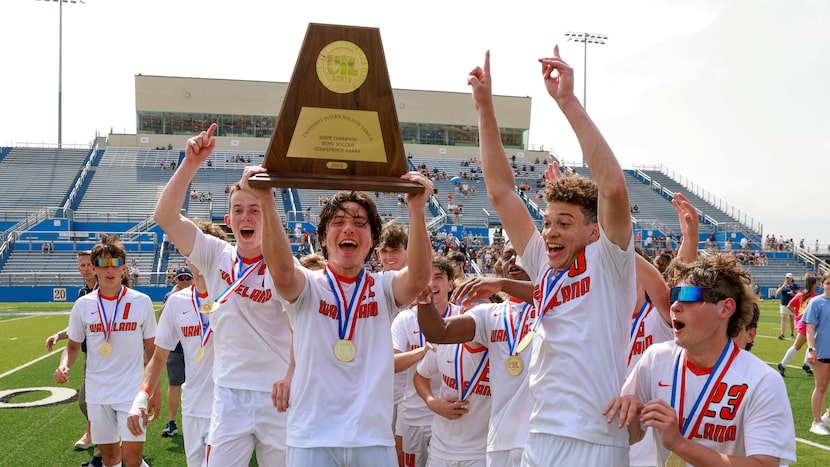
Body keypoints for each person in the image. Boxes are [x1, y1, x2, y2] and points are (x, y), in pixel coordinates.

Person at [469, 47, 636, 464]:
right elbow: (502, 193)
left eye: (564, 222)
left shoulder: (609, 260)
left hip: (593, 438)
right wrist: (485, 109)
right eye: (547, 223)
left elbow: (613, 188)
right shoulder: (545, 262)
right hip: (539, 434)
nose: (550, 232)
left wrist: (566, 101)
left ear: (592, 229)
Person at [240, 163, 433, 467]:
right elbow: (281, 271)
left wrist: (417, 209)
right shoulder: (308, 287)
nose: (348, 229)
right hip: (312, 438)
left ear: (371, 241)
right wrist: (265, 199)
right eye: (338, 222)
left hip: (372, 439)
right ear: (322, 239)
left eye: (360, 223)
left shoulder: (383, 288)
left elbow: (420, 276)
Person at [154, 123, 292, 466]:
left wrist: (291, 376)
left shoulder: (284, 268)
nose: (247, 217)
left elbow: (301, 330)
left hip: (278, 395)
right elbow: (165, 217)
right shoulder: (214, 254)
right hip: (229, 395)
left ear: (267, 216)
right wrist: (190, 164)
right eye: (239, 210)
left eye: (255, 209)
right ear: (229, 220)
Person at [606, 253, 796, 466]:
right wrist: (629, 413)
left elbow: (764, 464)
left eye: (688, 296)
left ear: (725, 308)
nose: (675, 305)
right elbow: (631, 437)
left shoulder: (762, 380)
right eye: (674, 295)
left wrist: (680, 444)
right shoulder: (655, 359)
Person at [418, 245, 536, 467]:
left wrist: (502, 284)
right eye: (508, 257)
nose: (514, 262)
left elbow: (553, 294)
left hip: (538, 439)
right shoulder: (490, 314)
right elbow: (438, 331)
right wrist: (424, 301)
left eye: (521, 255)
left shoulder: (553, 309)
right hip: (498, 443)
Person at [128, 219, 228, 466]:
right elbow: (158, 357)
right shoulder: (176, 302)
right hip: (193, 406)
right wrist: (142, 396)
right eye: (190, 250)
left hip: (229, 407)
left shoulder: (237, 297)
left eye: (202, 250)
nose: (196, 257)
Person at [53, 235, 158, 467]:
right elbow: (72, 346)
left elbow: (152, 351)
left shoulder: (142, 302)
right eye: (102, 264)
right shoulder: (83, 305)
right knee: (110, 459)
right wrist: (64, 365)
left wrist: (154, 391)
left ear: (123, 267)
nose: (109, 270)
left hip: (132, 392)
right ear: (94, 268)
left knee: (133, 460)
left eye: (114, 264)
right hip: (98, 393)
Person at [392, 255, 460, 467]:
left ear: (450, 285)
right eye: (426, 278)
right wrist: (424, 351)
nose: (431, 283)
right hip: (414, 416)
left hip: (452, 416)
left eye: (438, 277)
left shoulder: (465, 318)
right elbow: (391, 363)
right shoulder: (405, 318)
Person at [45, 250, 103, 466]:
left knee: (90, 401)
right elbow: (77, 326)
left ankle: (103, 449)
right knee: (88, 402)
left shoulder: (106, 289)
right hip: (91, 353)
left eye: (89, 264)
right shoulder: (82, 293)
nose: (86, 268)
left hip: (107, 355)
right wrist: (58, 335)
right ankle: (101, 440)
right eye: (82, 265)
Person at [376, 219, 411, 467]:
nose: (389, 256)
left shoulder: (420, 287)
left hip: (412, 391)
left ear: (407, 251)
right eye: (384, 251)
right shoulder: (373, 286)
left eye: (395, 250)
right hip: (380, 388)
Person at [156, 265, 195, 438]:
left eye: (188, 278)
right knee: (174, 384)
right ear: (175, 280)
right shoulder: (170, 297)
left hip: (196, 347)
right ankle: (171, 422)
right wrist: (173, 294)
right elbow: (162, 315)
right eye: (181, 278)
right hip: (176, 347)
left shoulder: (200, 294)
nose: (185, 281)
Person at [776, 276, 819, 377]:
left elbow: (789, 305)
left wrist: (797, 314)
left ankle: (806, 364)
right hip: (807, 324)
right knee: (797, 346)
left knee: (812, 344)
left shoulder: (800, 294)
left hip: (803, 322)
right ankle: (782, 364)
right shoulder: (816, 296)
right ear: (813, 285)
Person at [804, 271, 830, 435]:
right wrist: (811, 349)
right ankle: (817, 422)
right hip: (821, 351)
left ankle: (828, 416)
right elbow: (810, 327)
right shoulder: (816, 302)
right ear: (822, 285)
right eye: (828, 283)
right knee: (821, 387)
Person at [776, 273, 800, 339]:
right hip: (784, 304)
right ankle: (782, 334)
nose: (787, 279)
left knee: (792, 319)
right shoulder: (782, 285)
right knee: (783, 318)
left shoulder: (795, 286)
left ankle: (792, 333)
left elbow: (799, 295)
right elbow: (777, 293)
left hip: (792, 305)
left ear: (792, 278)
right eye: (786, 278)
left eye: (789, 278)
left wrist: (794, 294)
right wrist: (783, 285)